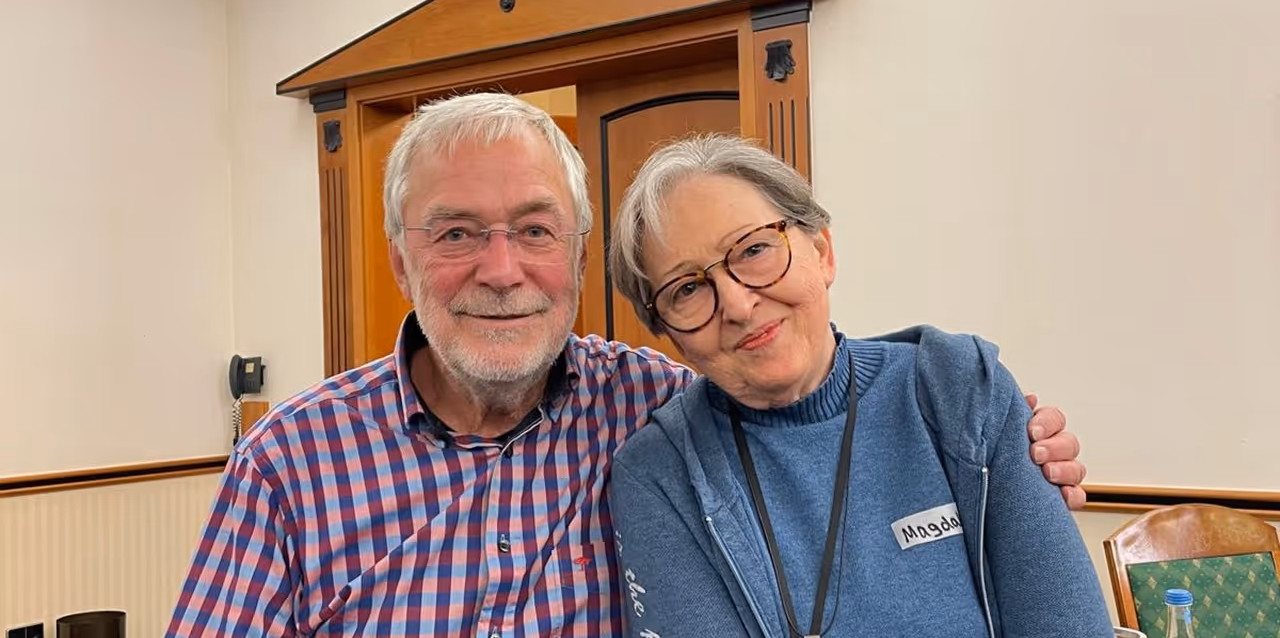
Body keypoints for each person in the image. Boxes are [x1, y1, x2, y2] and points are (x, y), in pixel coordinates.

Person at [165, 93, 1089, 637]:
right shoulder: (290, 460)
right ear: (402, 260)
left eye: (534, 230)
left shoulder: (650, 406)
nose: (500, 269)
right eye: (455, 234)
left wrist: (1005, 434)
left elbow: (798, 371)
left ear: (573, 260)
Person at [605, 133, 1112, 637]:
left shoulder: (958, 390)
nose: (737, 306)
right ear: (668, 333)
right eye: (688, 288)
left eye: (755, 249)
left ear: (822, 251)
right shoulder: (661, 473)